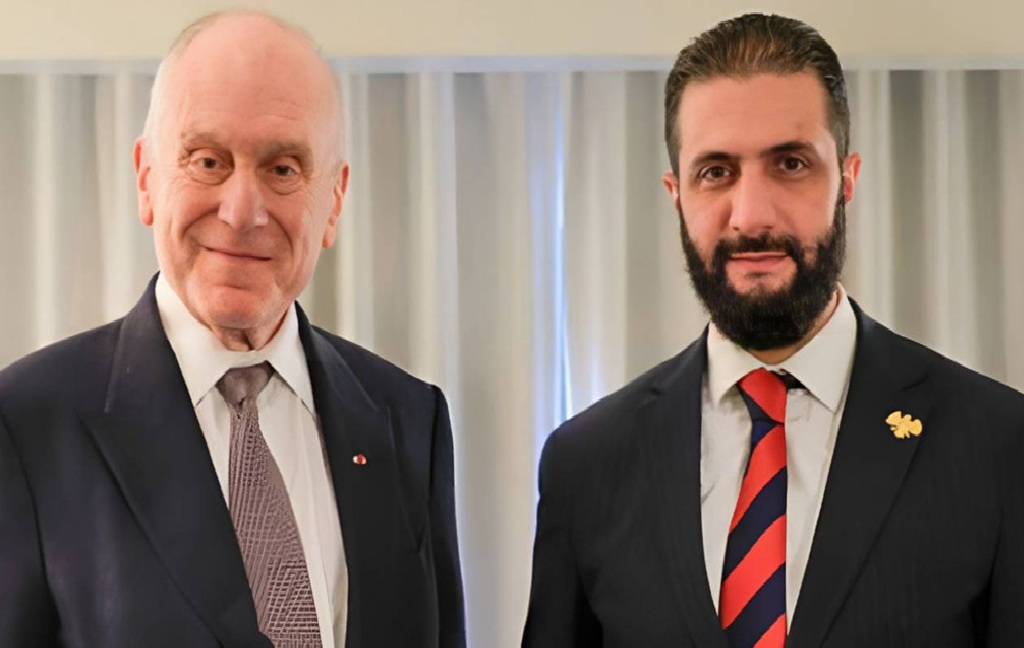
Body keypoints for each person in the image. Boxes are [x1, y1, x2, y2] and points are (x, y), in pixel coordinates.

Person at [522, 13, 1024, 648]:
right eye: (716, 171)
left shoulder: (998, 443)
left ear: (847, 179)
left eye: (790, 163)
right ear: (676, 193)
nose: (752, 216)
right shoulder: (585, 464)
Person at [0, 11, 464, 647]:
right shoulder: (26, 425)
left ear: (333, 201)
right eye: (209, 161)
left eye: (283, 169)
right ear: (146, 179)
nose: (243, 212)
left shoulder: (408, 419)